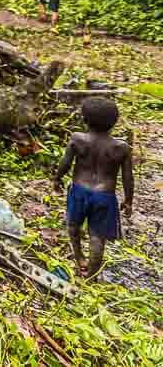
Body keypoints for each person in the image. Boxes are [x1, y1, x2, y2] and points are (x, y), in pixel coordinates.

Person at [53, 97, 134, 277]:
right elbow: (128, 177)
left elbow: (65, 163)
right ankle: (90, 274)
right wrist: (128, 201)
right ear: (114, 123)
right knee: (97, 237)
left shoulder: (77, 139)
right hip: (104, 196)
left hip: (79, 191)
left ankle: (79, 257)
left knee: (73, 226)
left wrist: (57, 179)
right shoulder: (122, 148)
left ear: (85, 120)